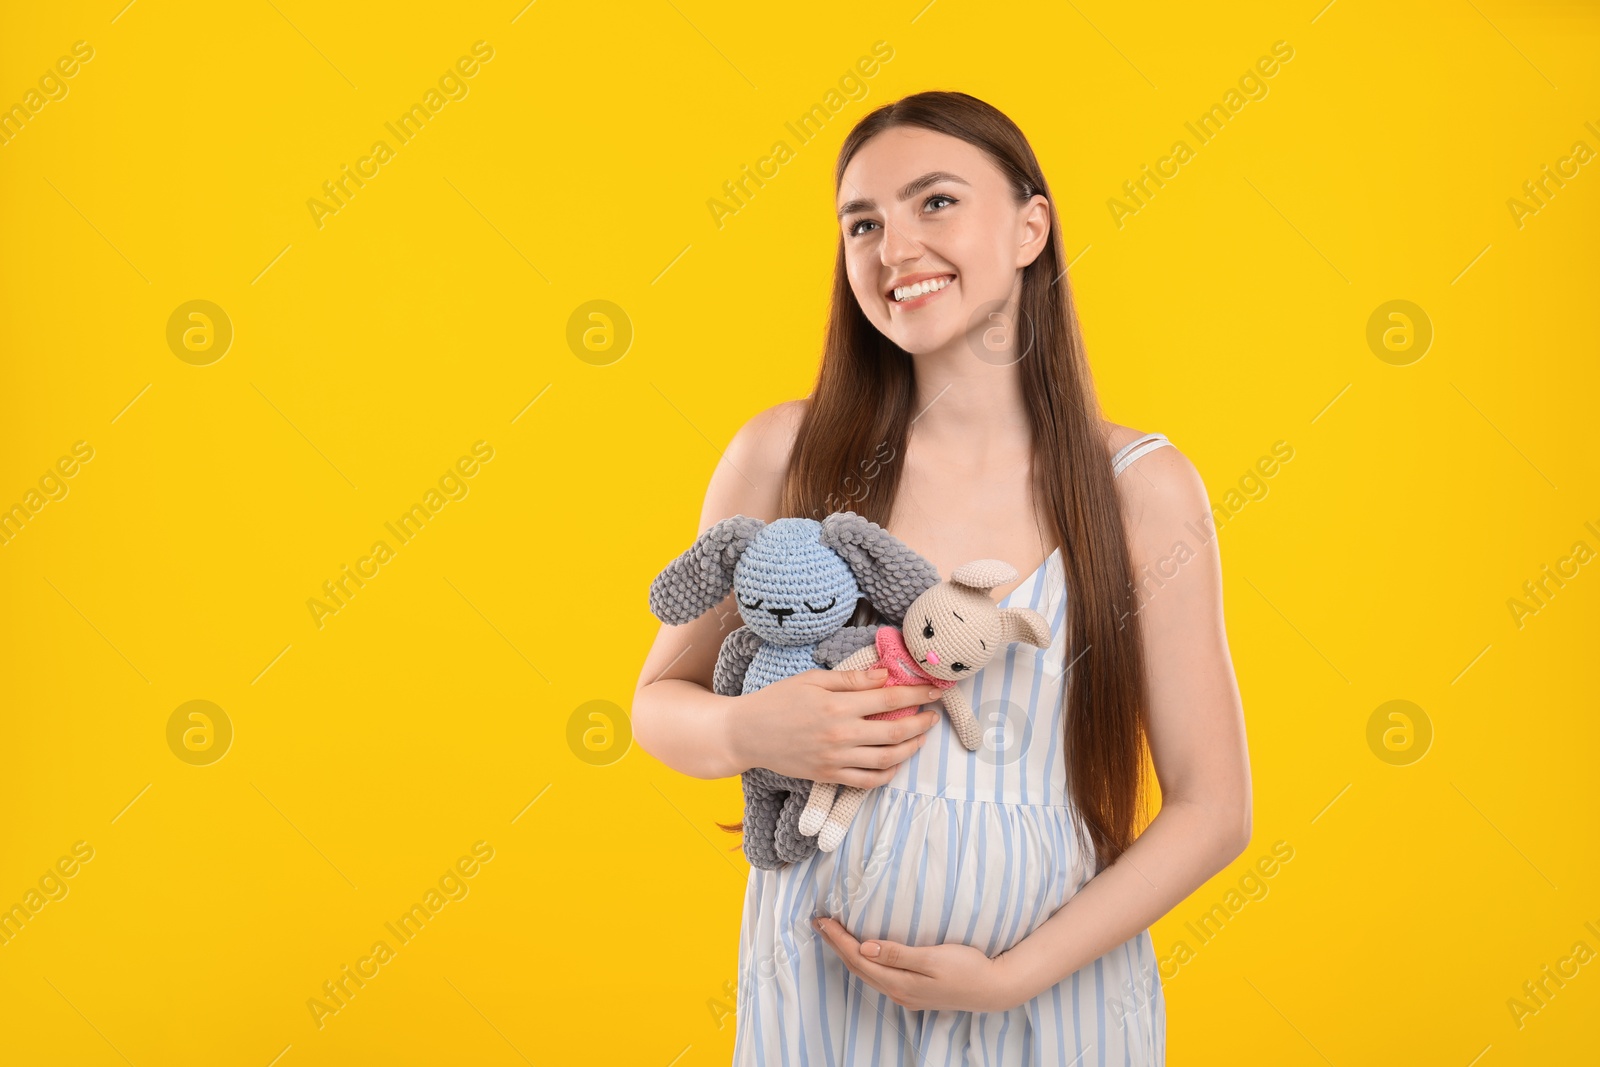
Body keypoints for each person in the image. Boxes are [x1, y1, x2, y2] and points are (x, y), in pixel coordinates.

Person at [632, 90, 1251, 1064]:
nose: (893, 248)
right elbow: (655, 702)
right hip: (820, 992)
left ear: (1029, 228)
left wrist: (1013, 977)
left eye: (935, 203)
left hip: (1057, 1003)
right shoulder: (783, 454)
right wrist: (748, 726)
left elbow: (1214, 808)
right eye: (863, 223)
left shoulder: (1141, 489)